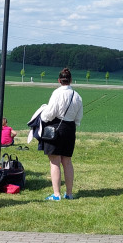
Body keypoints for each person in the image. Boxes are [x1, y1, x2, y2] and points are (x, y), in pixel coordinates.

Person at [39, 67, 83, 200]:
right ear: (70, 80)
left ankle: (56, 194)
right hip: (70, 128)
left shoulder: (57, 93)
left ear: (59, 80)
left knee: (55, 162)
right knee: (67, 161)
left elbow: (49, 113)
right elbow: (78, 117)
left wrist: (43, 116)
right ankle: (69, 194)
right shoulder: (77, 95)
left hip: (56, 127)